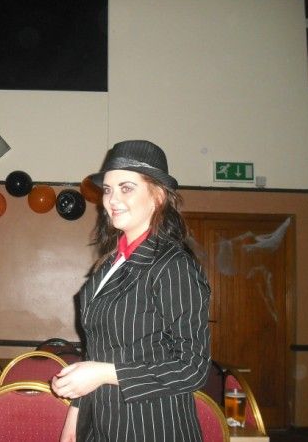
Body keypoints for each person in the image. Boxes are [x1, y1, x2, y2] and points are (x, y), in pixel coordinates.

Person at [52, 140, 211, 441]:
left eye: (126, 188)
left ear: (157, 196)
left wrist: (103, 374)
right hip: (100, 424)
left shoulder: (172, 265)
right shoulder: (109, 264)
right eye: (107, 190)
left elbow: (193, 368)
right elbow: (97, 350)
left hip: (152, 427)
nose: (111, 199)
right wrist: (75, 413)